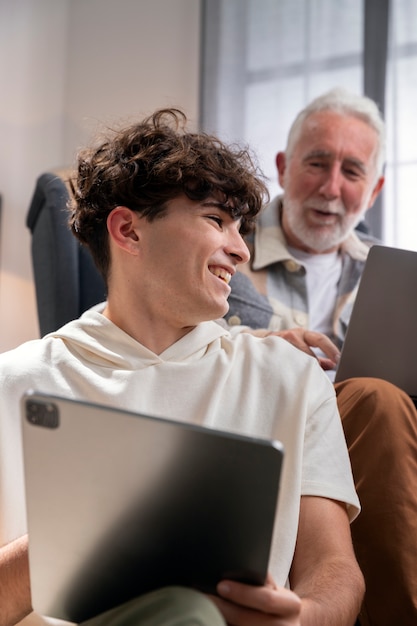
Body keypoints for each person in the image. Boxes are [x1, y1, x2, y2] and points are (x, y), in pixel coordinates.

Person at [0, 108, 364, 626]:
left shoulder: (290, 377)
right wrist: (77, 540)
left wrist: (301, 618)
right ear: (128, 231)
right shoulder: (13, 381)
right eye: (216, 221)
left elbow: (335, 569)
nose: (240, 250)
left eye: (241, 228)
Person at [224, 87, 417, 626]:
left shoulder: (398, 278)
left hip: (381, 454)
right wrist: (261, 349)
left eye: (352, 171)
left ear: (374, 189)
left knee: (385, 402)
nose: (331, 188)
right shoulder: (224, 246)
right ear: (283, 168)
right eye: (316, 163)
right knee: (377, 398)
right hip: (271, 441)